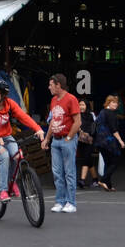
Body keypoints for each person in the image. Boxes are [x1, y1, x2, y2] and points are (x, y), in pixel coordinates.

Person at [0, 78, 44, 202]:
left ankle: (11, 182)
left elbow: (23, 117)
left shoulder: (9, 104)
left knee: (16, 156)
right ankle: (3, 190)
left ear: (3, 95)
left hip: (6, 136)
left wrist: (38, 129)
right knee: (4, 155)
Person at [41, 74, 81, 213]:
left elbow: (78, 122)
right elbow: (53, 121)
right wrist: (47, 139)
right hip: (56, 140)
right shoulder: (53, 100)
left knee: (69, 172)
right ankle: (60, 201)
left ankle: (71, 202)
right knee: (57, 172)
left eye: (51, 84)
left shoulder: (71, 99)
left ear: (58, 85)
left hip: (66, 139)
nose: (49, 87)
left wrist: (69, 138)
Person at [94, 95, 125, 191]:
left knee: (108, 163)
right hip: (108, 142)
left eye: (116, 103)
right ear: (108, 103)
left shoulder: (102, 112)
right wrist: (120, 141)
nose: (116, 104)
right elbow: (114, 129)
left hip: (99, 142)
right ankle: (103, 180)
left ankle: (108, 185)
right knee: (115, 162)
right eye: (113, 102)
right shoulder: (110, 113)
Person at [76, 98, 96, 188]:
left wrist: (88, 133)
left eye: (83, 105)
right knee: (88, 160)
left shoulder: (91, 115)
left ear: (87, 106)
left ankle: (82, 180)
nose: (81, 107)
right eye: (79, 105)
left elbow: (95, 127)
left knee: (85, 158)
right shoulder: (76, 115)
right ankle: (95, 179)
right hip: (80, 140)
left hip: (90, 140)